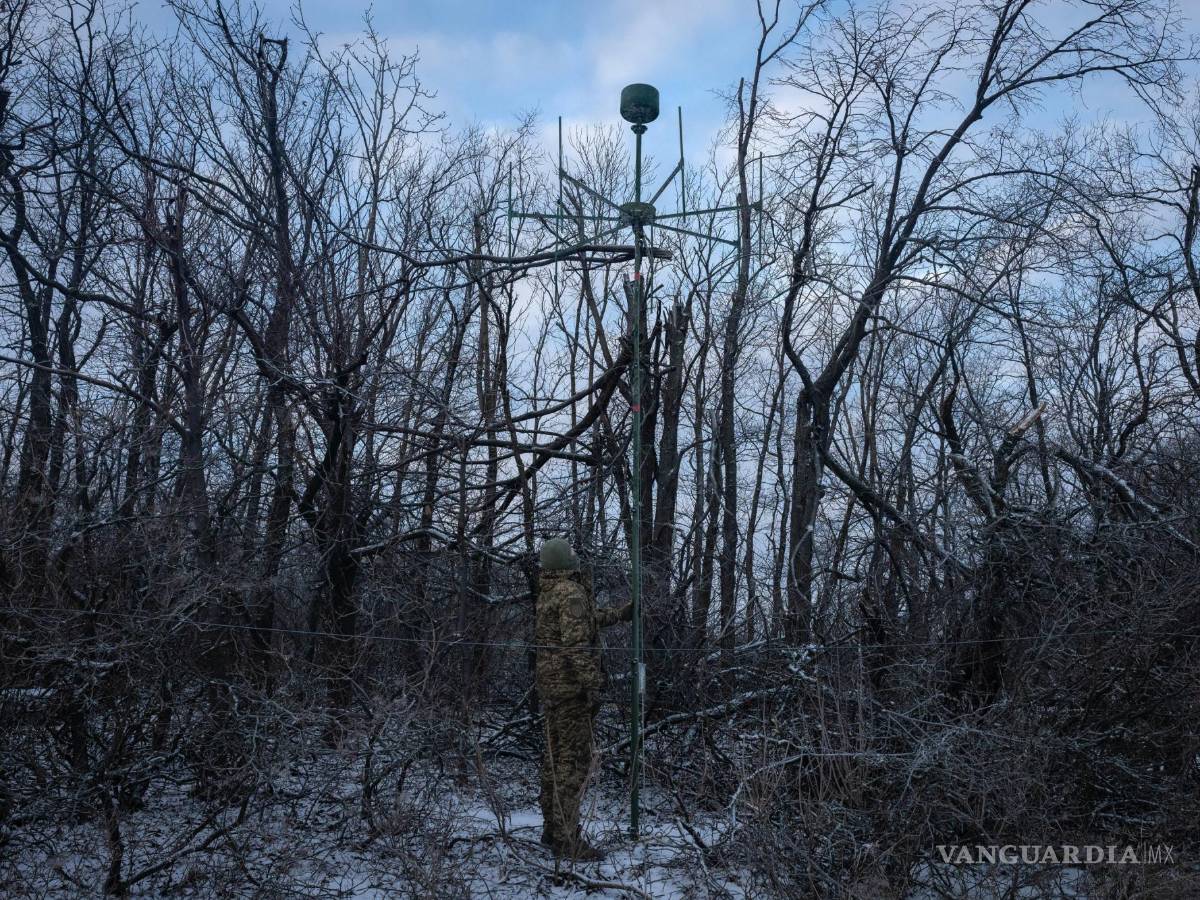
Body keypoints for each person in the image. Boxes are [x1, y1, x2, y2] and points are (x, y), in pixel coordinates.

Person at [535, 537, 632, 859]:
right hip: (572, 690)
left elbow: (584, 622)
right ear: (566, 561)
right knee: (572, 763)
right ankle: (567, 839)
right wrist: (594, 683)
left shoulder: (551, 590)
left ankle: (552, 830)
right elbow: (575, 646)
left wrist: (621, 614)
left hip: (552, 688)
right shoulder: (570, 592)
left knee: (554, 758)